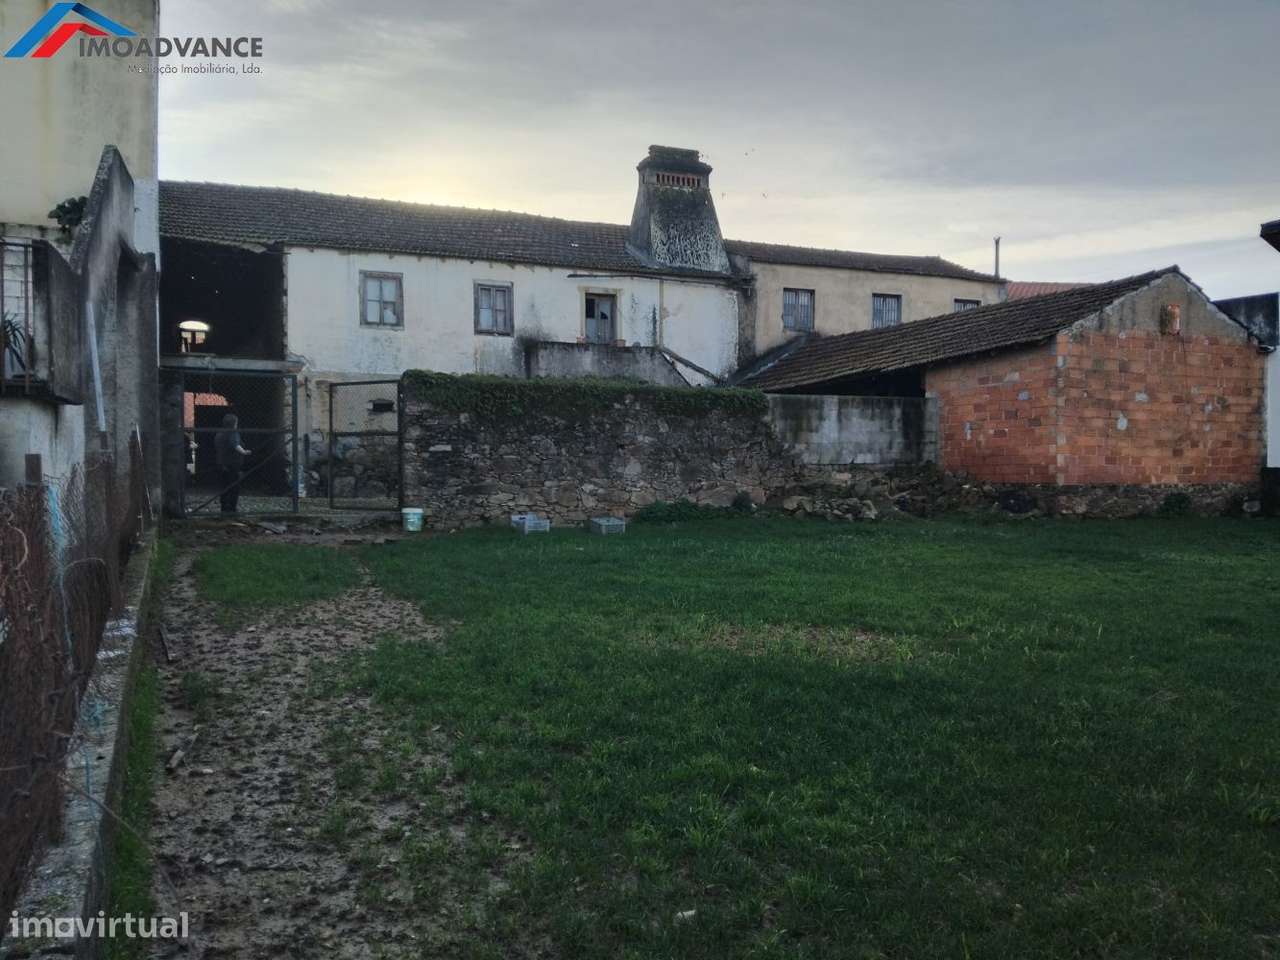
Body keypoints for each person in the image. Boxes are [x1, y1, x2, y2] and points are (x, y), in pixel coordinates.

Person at [214, 413, 251, 514]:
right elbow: (235, 444)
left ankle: (224, 508)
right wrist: (244, 452)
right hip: (232, 464)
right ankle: (232, 508)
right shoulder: (233, 432)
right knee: (234, 487)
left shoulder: (219, 433)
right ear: (234, 423)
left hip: (221, 463)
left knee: (224, 487)